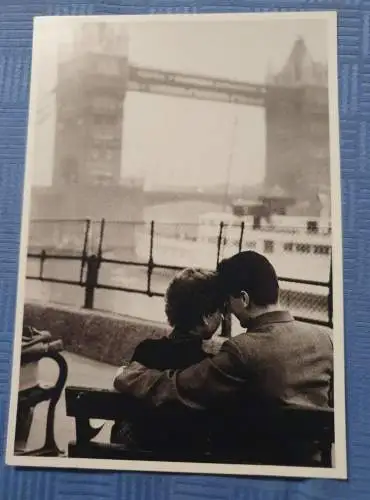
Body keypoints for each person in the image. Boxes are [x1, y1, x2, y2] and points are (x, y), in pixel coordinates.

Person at [113, 251, 334, 464]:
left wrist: (129, 376)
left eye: (229, 302)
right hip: (312, 466)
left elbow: (180, 387)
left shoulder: (243, 349)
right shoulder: (324, 340)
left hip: (259, 468)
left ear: (245, 299)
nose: (229, 312)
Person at [110, 267, 224, 451]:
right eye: (220, 311)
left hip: (141, 453)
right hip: (188, 459)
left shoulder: (146, 351)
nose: (223, 316)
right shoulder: (209, 364)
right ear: (205, 317)